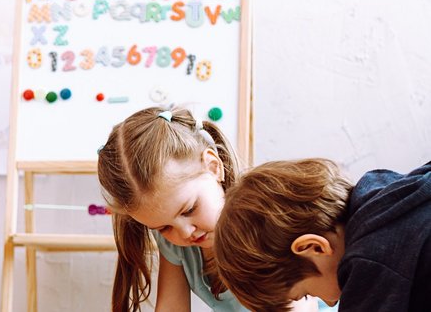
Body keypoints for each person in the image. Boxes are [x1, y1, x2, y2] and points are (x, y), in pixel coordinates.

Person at [214, 158, 431, 311]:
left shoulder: (368, 261)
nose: (329, 303)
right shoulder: (387, 190)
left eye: (307, 294)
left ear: (314, 248)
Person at [97, 106, 248, 311]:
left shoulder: (263, 226)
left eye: (189, 210)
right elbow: (171, 307)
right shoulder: (176, 244)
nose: (185, 232)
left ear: (214, 167)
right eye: (163, 228)